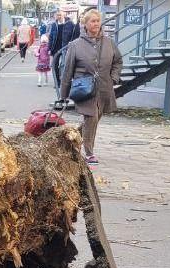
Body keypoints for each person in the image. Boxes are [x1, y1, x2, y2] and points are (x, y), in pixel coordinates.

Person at [60, 9, 123, 166]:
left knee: (93, 120)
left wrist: (114, 78)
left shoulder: (109, 43)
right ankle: (89, 153)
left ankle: (69, 140)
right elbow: (67, 71)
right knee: (92, 118)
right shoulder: (75, 45)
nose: (96, 24)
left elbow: (118, 61)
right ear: (85, 24)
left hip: (104, 89)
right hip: (85, 90)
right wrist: (64, 94)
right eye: (92, 21)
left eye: (97, 20)